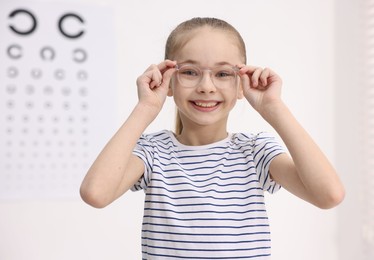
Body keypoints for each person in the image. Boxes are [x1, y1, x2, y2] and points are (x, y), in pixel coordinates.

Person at [80, 17, 345, 259]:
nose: (206, 86)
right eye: (190, 72)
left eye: (222, 74)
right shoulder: (152, 151)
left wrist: (273, 108)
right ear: (168, 81)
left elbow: (329, 195)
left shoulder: (255, 151)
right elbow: (95, 193)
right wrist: (145, 108)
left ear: (241, 84)